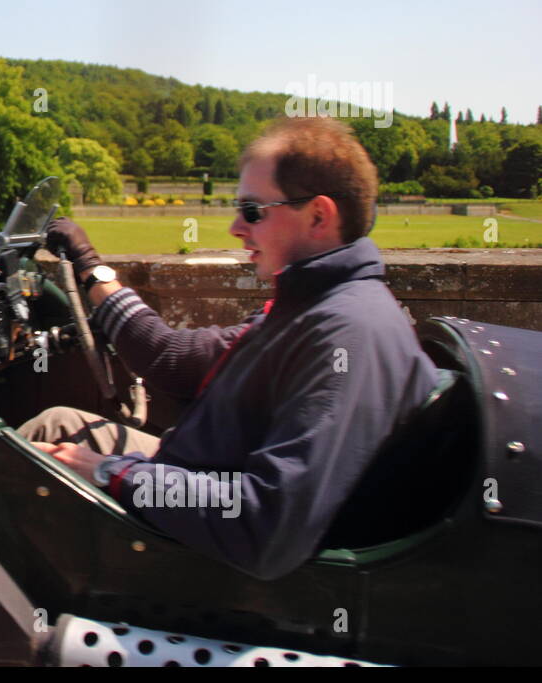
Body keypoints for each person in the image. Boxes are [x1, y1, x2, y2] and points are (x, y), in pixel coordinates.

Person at [29, 115, 441, 580]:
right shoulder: (310, 304)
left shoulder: (344, 332)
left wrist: (114, 474)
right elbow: (171, 358)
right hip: (187, 479)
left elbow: (266, 524)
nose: (234, 228)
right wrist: (90, 266)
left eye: (251, 211)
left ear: (319, 215)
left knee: (3, 463)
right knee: (55, 425)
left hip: (207, 554)